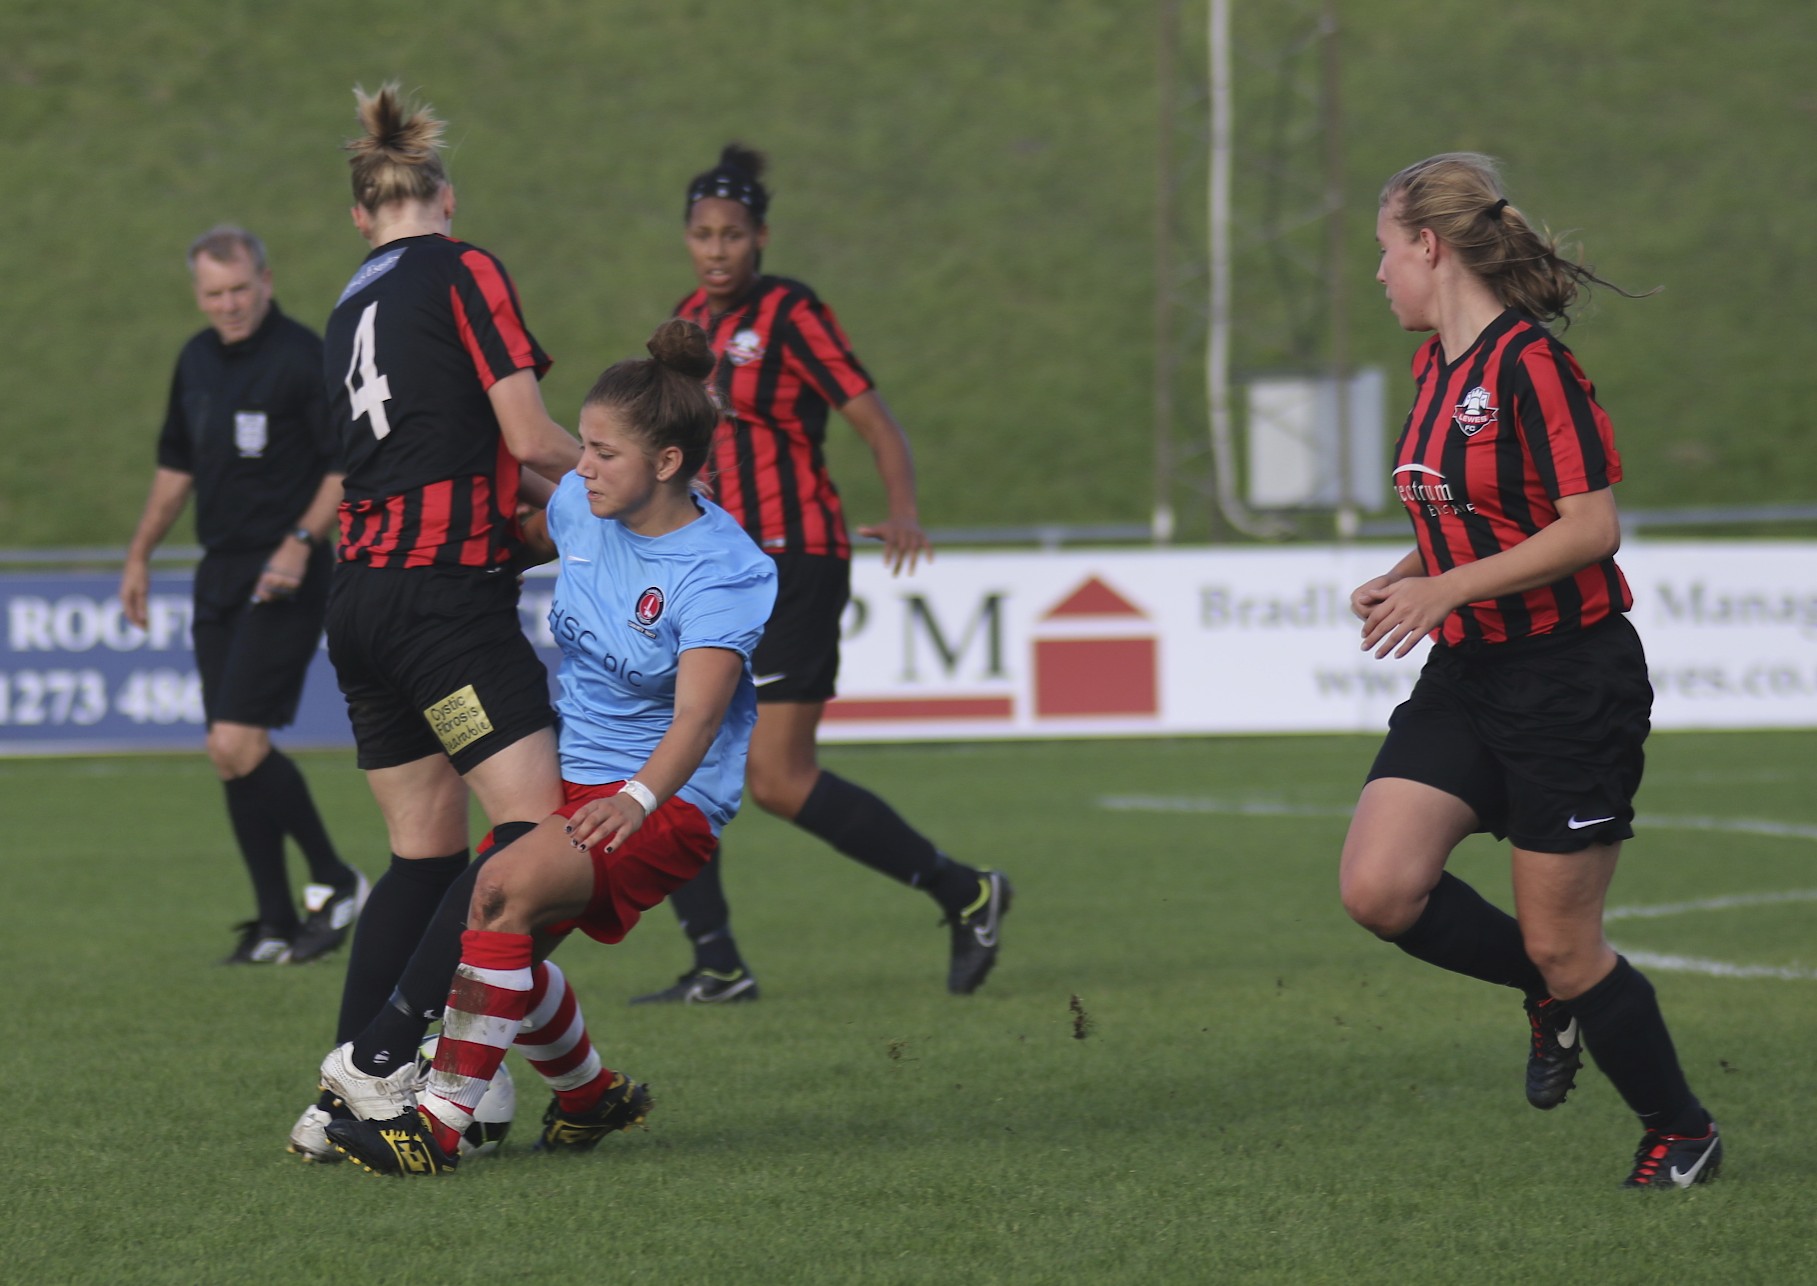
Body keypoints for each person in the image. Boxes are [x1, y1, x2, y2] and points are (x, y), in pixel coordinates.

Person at [318, 319, 778, 1176]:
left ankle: (432, 1128)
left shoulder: (725, 568)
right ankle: (591, 1096)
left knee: (496, 889)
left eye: (602, 451)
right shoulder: (582, 508)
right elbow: (518, 538)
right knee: (500, 943)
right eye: (585, 445)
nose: (580, 465)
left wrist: (633, 800)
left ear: (667, 464)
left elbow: (698, 722)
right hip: (577, 781)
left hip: (665, 803)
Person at [1340, 153, 1719, 1189]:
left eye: (1383, 252)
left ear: (1428, 247)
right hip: (1469, 672)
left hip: (1568, 682)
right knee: (1378, 887)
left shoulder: (1529, 366)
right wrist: (1405, 573)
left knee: (1565, 941)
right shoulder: (1434, 370)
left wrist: (1445, 591)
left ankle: (1678, 1127)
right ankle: (1547, 993)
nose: (1377, 276)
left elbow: (1589, 527)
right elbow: (1467, 516)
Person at [631, 143, 1010, 1005]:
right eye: (702, 233)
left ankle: (966, 893)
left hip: (794, 562)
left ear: (759, 237)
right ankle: (718, 963)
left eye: (732, 233)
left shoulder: (791, 312)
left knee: (776, 777)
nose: (717, 249)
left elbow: (874, 421)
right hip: (714, 567)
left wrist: (904, 506)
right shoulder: (686, 323)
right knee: (675, 757)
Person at [285, 83, 580, 1162]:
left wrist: (557, 529)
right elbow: (533, 435)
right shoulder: (465, 270)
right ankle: (385, 1057)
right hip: (437, 607)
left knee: (420, 854)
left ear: (362, 214)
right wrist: (638, 502)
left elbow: (439, 470)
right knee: (537, 840)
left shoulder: (342, 309)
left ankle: (338, 1100)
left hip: (360, 600)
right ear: (443, 199)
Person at [121, 226, 366, 967]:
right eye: (213, 293)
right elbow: (175, 466)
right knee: (226, 754)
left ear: (265, 279)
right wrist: (138, 554)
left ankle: (334, 877)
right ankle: (271, 923)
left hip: (284, 568)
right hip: (219, 570)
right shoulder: (195, 359)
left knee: (236, 740)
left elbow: (343, 464)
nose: (227, 305)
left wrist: (300, 541)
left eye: (239, 289)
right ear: (198, 294)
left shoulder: (301, 357)